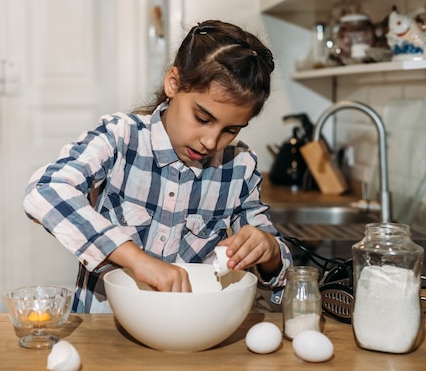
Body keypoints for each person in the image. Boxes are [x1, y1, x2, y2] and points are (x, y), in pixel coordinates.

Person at [24, 20, 293, 313]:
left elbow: (280, 277)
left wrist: (269, 251)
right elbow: (45, 190)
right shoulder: (121, 137)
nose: (211, 141)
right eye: (203, 118)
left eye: (231, 130)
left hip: (189, 330)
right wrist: (139, 261)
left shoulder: (239, 167)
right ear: (173, 84)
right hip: (103, 328)